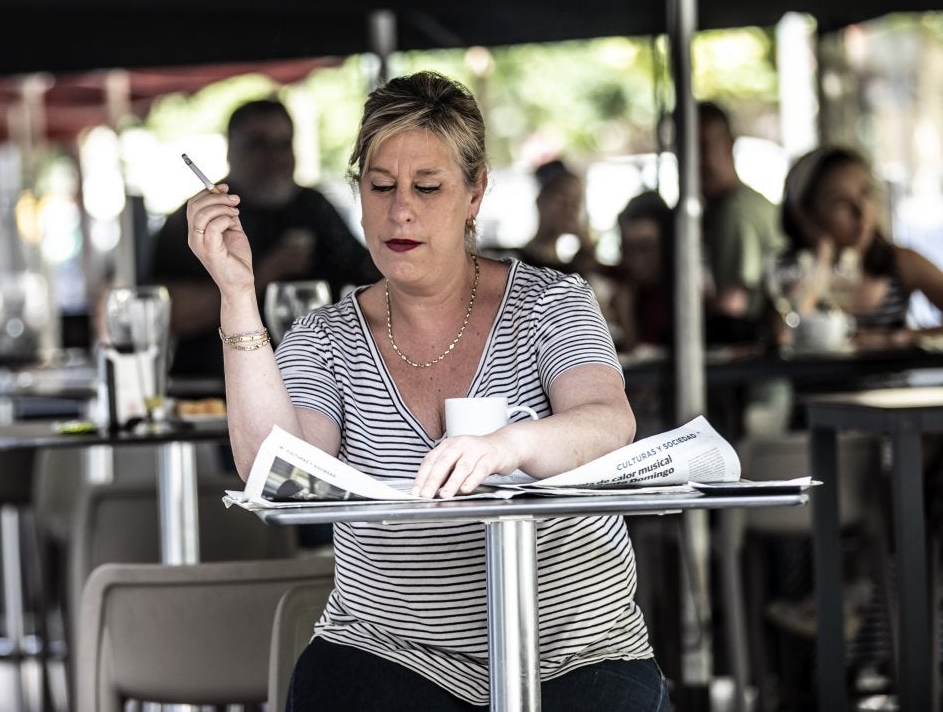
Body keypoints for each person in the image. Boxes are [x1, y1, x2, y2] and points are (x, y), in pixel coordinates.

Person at [186, 72, 669, 711]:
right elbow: (276, 465)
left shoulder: (550, 302)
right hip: (392, 654)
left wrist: (507, 445)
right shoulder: (327, 334)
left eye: (427, 187)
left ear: (475, 193)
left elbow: (608, 422)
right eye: (380, 187)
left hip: (575, 657)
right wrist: (238, 296)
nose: (399, 210)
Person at [151, 97, 380, 380]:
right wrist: (262, 274)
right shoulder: (204, 215)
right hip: (212, 390)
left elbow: (371, 278)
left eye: (284, 144)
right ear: (231, 151)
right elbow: (166, 315)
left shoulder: (313, 208)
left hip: (310, 384)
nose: (275, 157)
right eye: (258, 144)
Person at [777, 145, 943, 344]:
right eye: (840, 201)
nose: (861, 211)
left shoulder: (899, 263)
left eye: (866, 194)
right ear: (804, 213)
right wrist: (820, 263)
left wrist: (899, 338)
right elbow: (784, 336)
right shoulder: (785, 272)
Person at [697, 101, 783, 339]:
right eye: (684, 149)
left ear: (730, 143)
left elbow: (731, 306)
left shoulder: (735, 212)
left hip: (753, 358)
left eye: (702, 146)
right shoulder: (748, 202)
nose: (693, 160)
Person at [609, 190, 675, 352]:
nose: (636, 260)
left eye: (645, 248)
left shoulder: (679, 295)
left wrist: (625, 314)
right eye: (627, 249)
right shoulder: (620, 279)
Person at [515, 159, 604, 279]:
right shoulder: (520, 262)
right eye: (562, 200)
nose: (570, 209)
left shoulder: (576, 263)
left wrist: (584, 241)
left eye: (576, 202)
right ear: (541, 201)